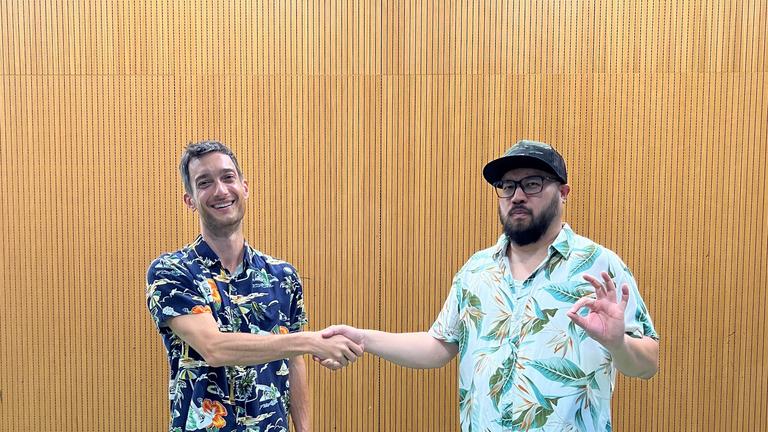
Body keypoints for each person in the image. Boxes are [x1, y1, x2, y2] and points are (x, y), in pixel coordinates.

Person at [320, 140, 659, 431]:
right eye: (507, 186)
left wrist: (618, 345)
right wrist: (363, 338)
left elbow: (648, 364)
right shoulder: (477, 270)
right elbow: (438, 346)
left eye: (533, 183)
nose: (517, 196)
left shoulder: (600, 266)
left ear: (563, 193)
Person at [146, 140, 362, 432]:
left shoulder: (283, 276)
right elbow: (214, 347)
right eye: (205, 182)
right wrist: (311, 341)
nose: (221, 190)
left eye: (228, 177)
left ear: (244, 187)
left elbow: (294, 364)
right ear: (190, 200)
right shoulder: (172, 272)